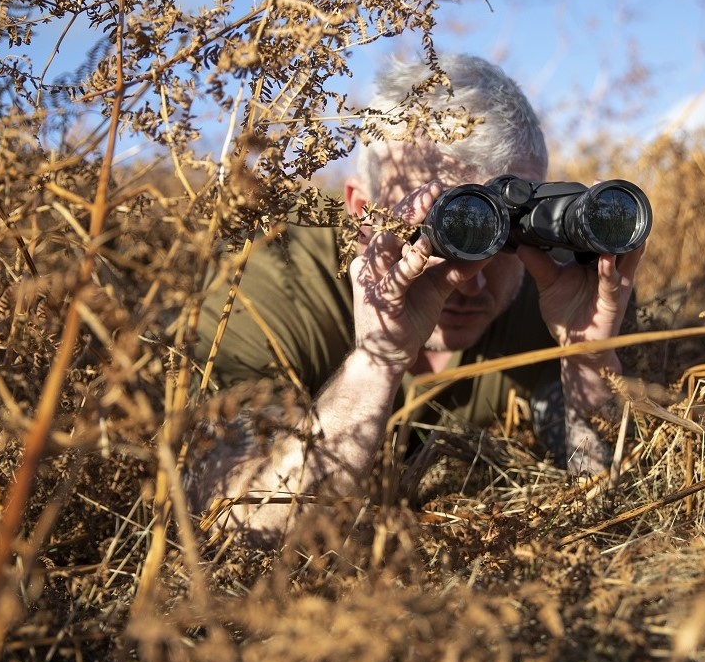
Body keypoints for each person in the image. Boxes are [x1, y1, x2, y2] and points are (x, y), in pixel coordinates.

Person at [186, 53, 644, 542]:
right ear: (363, 211)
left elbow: (610, 497)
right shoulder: (273, 288)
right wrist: (375, 363)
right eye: (443, 234)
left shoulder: (565, 287)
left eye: (505, 238)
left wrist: (589, 360)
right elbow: (238, 523)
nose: (471, 283)